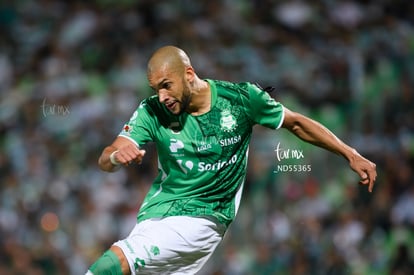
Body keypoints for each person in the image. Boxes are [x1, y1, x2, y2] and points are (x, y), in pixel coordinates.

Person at [86, 45, 377, 275]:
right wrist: (115, 155)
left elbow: (296, 123)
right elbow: (107, 157)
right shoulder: (151, 111)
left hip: (203, 218)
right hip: (154, 217)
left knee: (112, 263)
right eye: (155, 89)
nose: (161, 96)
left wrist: (350, 154)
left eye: (166, 85)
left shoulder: (240, 99)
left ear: (189, 73)